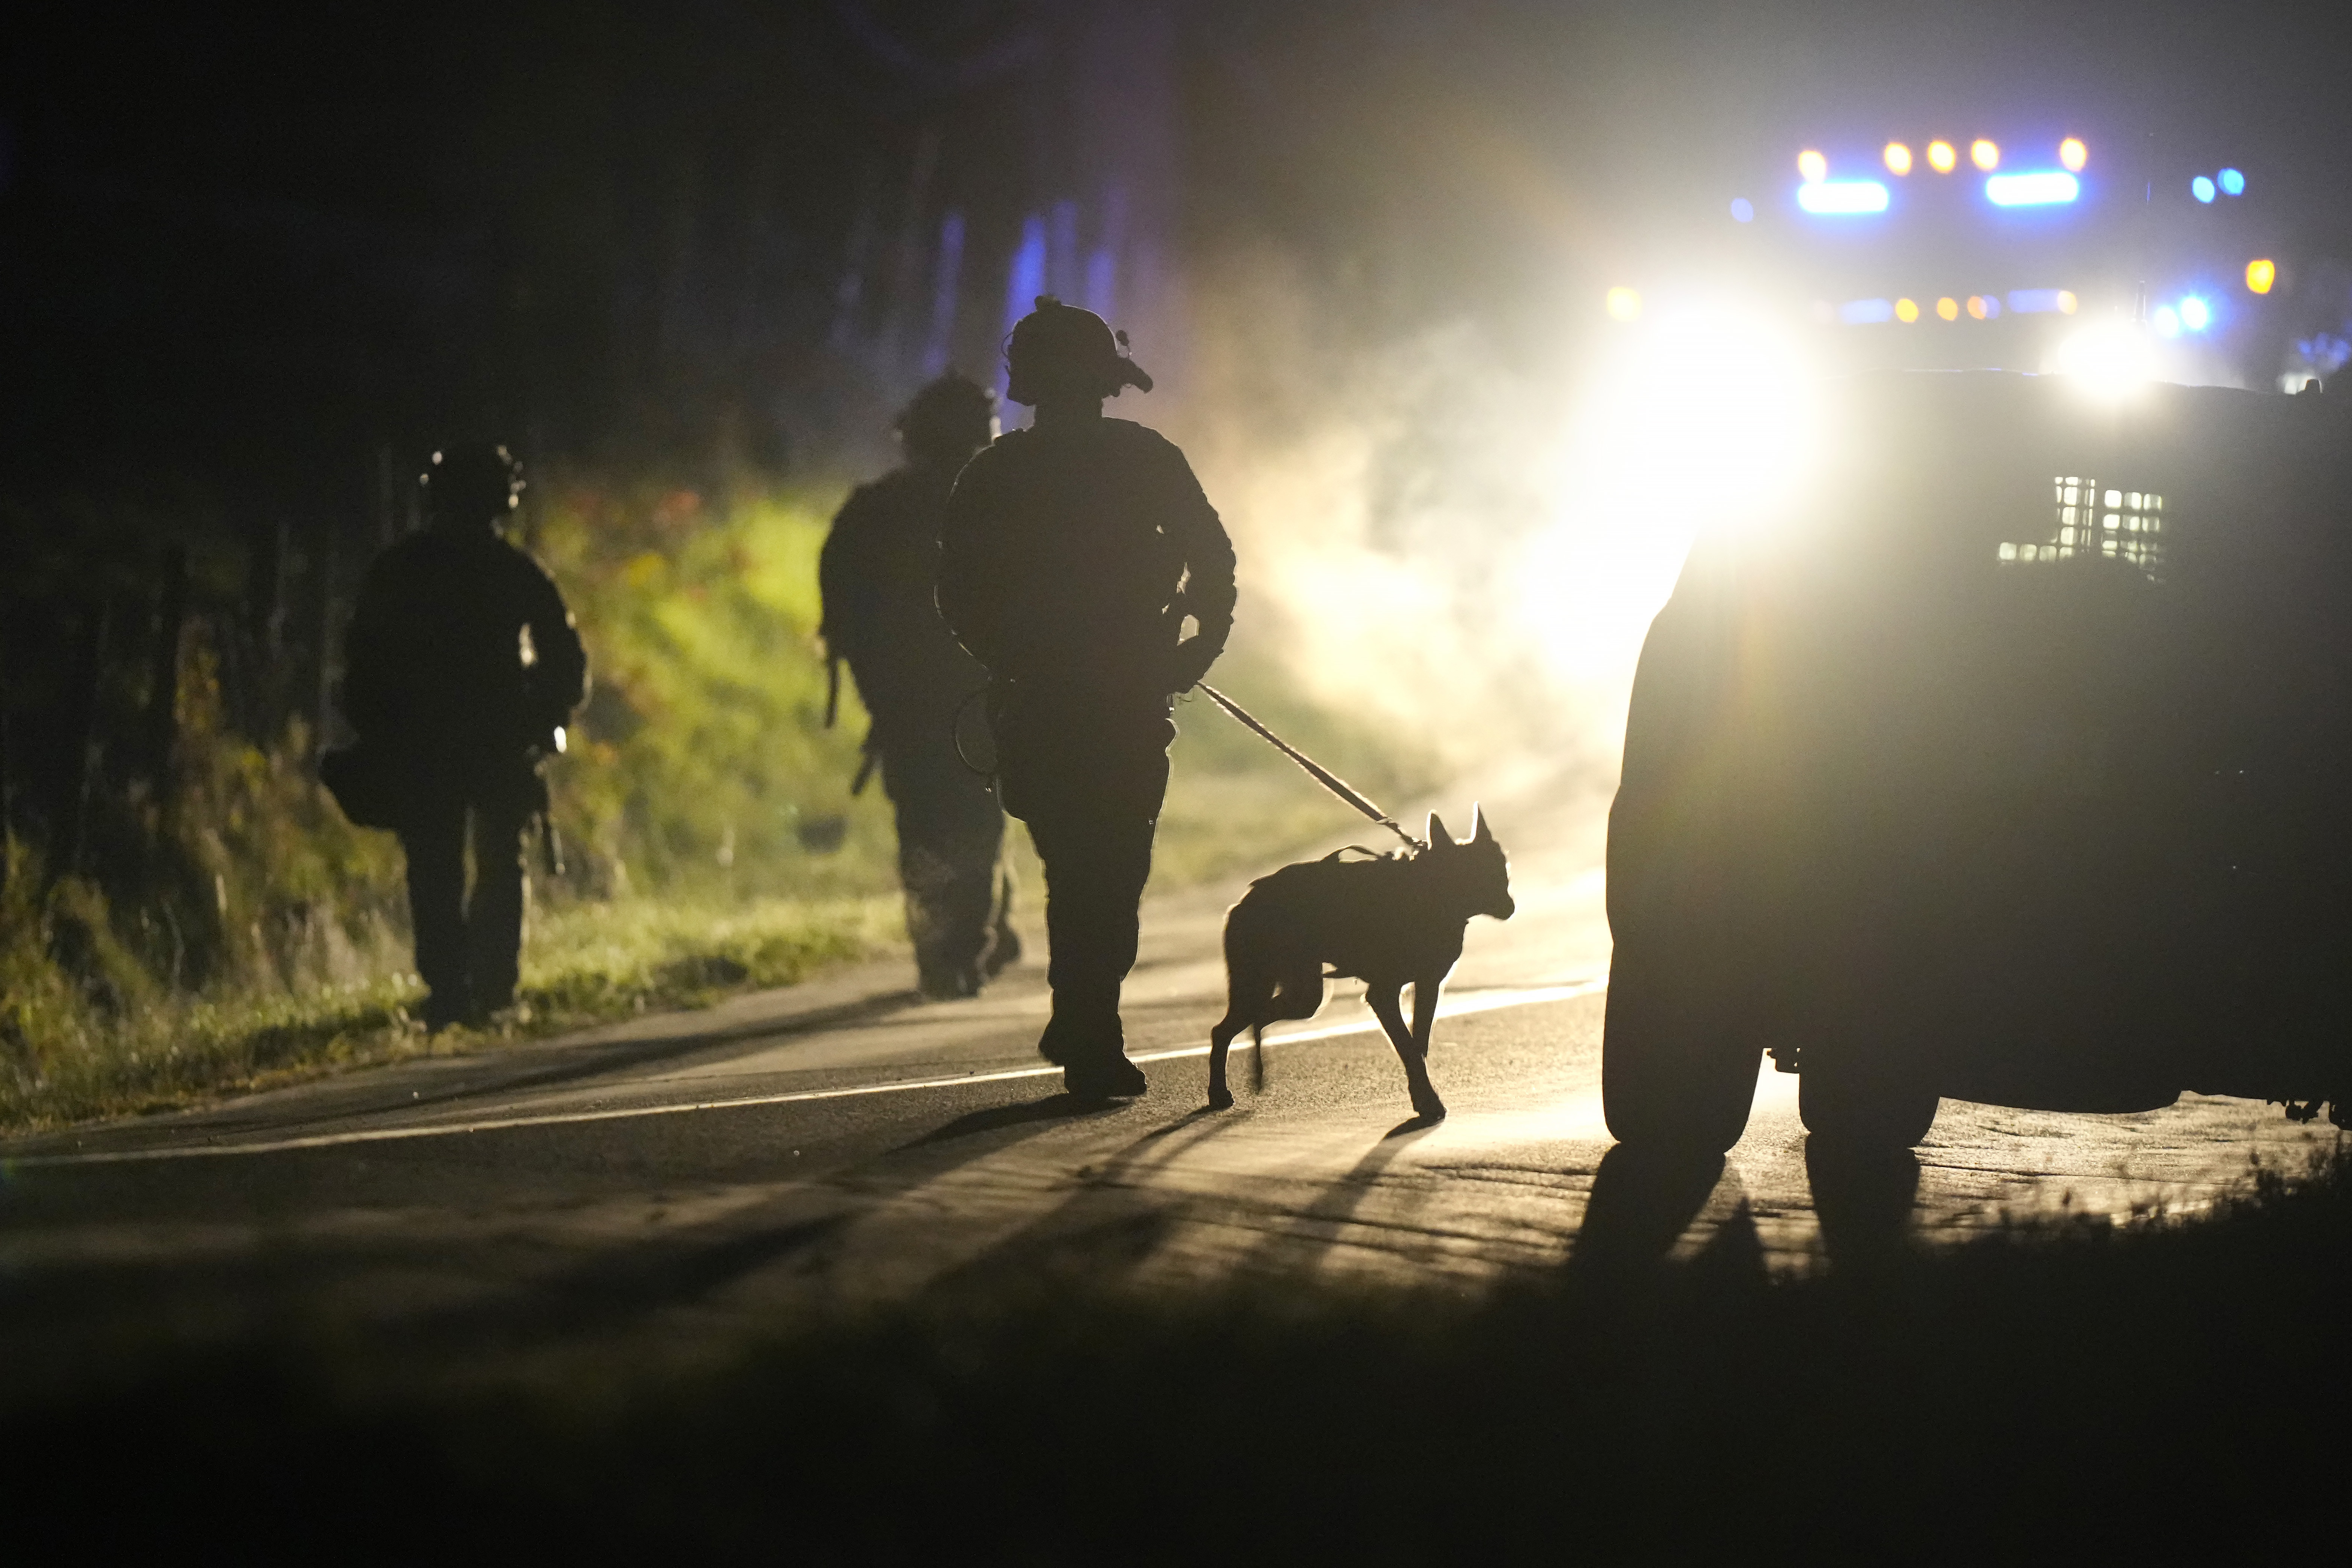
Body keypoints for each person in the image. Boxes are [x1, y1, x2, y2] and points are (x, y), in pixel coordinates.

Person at [938, 297, 1237, 1099]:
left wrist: (1011, 662)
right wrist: (1190, 656)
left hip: (1045, 707)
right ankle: (1088, 1023)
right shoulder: (1146, 459)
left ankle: (1083, 1014)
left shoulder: (994, 474)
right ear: (1106, 380)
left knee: (1078, 866)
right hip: (1122, 700)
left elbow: (956, 593)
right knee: (1109, 869)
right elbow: (1214, 567)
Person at [341, 444, 587, 1030]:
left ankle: (454, 989)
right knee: (496, 863)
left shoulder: (401, 568)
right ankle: (488, 990)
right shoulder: (512, 571)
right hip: (490, 740)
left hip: (436, 742)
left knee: (438, 865)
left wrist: (378, 727)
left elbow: (362, 659)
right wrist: (546, 715)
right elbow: (564, 658)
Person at [820, 371, 1019, 999]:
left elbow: (844, 620)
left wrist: (877, 692)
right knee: (976, 821)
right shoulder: (994, 510)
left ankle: (949, 946)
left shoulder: (873, 511)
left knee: (929, 827)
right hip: (973, 698)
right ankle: (961, 944)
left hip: (909, 704)